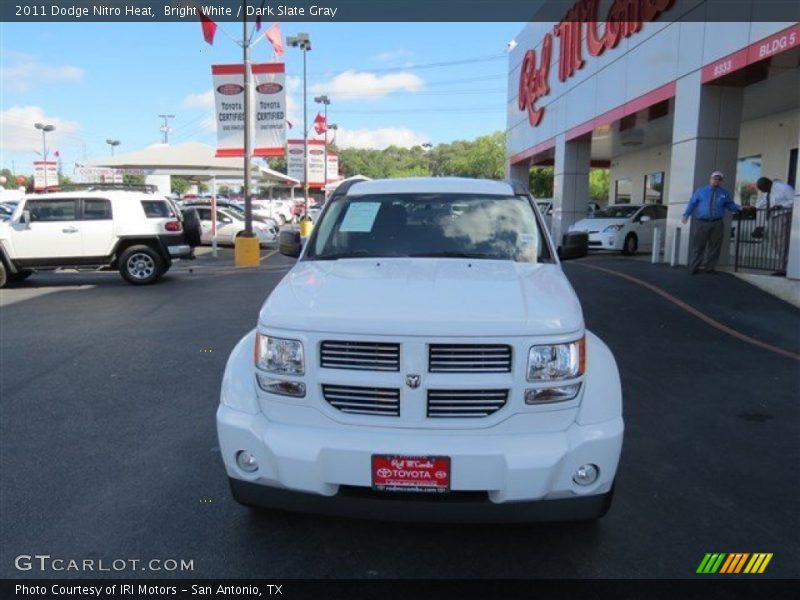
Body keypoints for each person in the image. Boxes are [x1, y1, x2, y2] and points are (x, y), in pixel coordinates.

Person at [682, 171, 741, 274]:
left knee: (714, 247)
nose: (716, 180)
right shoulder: (701, 191)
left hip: (717, 223)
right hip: (701, 223)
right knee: (698, 246)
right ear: (710, 179)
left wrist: (740, 208)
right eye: (714, 178)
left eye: (719, 179)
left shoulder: (724, 193)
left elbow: (730, 205)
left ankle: (710, 268)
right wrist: (686, 215)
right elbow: (692, 203)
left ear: (721, 181)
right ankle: (694, 268)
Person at [755, 177, 795, 276]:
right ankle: (783, 265)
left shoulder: (783, 188)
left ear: (767, 184)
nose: (762, 191)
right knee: (773, 240)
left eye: (762, 189)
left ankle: (784, 268)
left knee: (782, 242)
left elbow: (795, 200)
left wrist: (782, 205)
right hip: (773, 217)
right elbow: (764, 201)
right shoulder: (769, 191)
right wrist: (754, 208)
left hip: (783, 215)